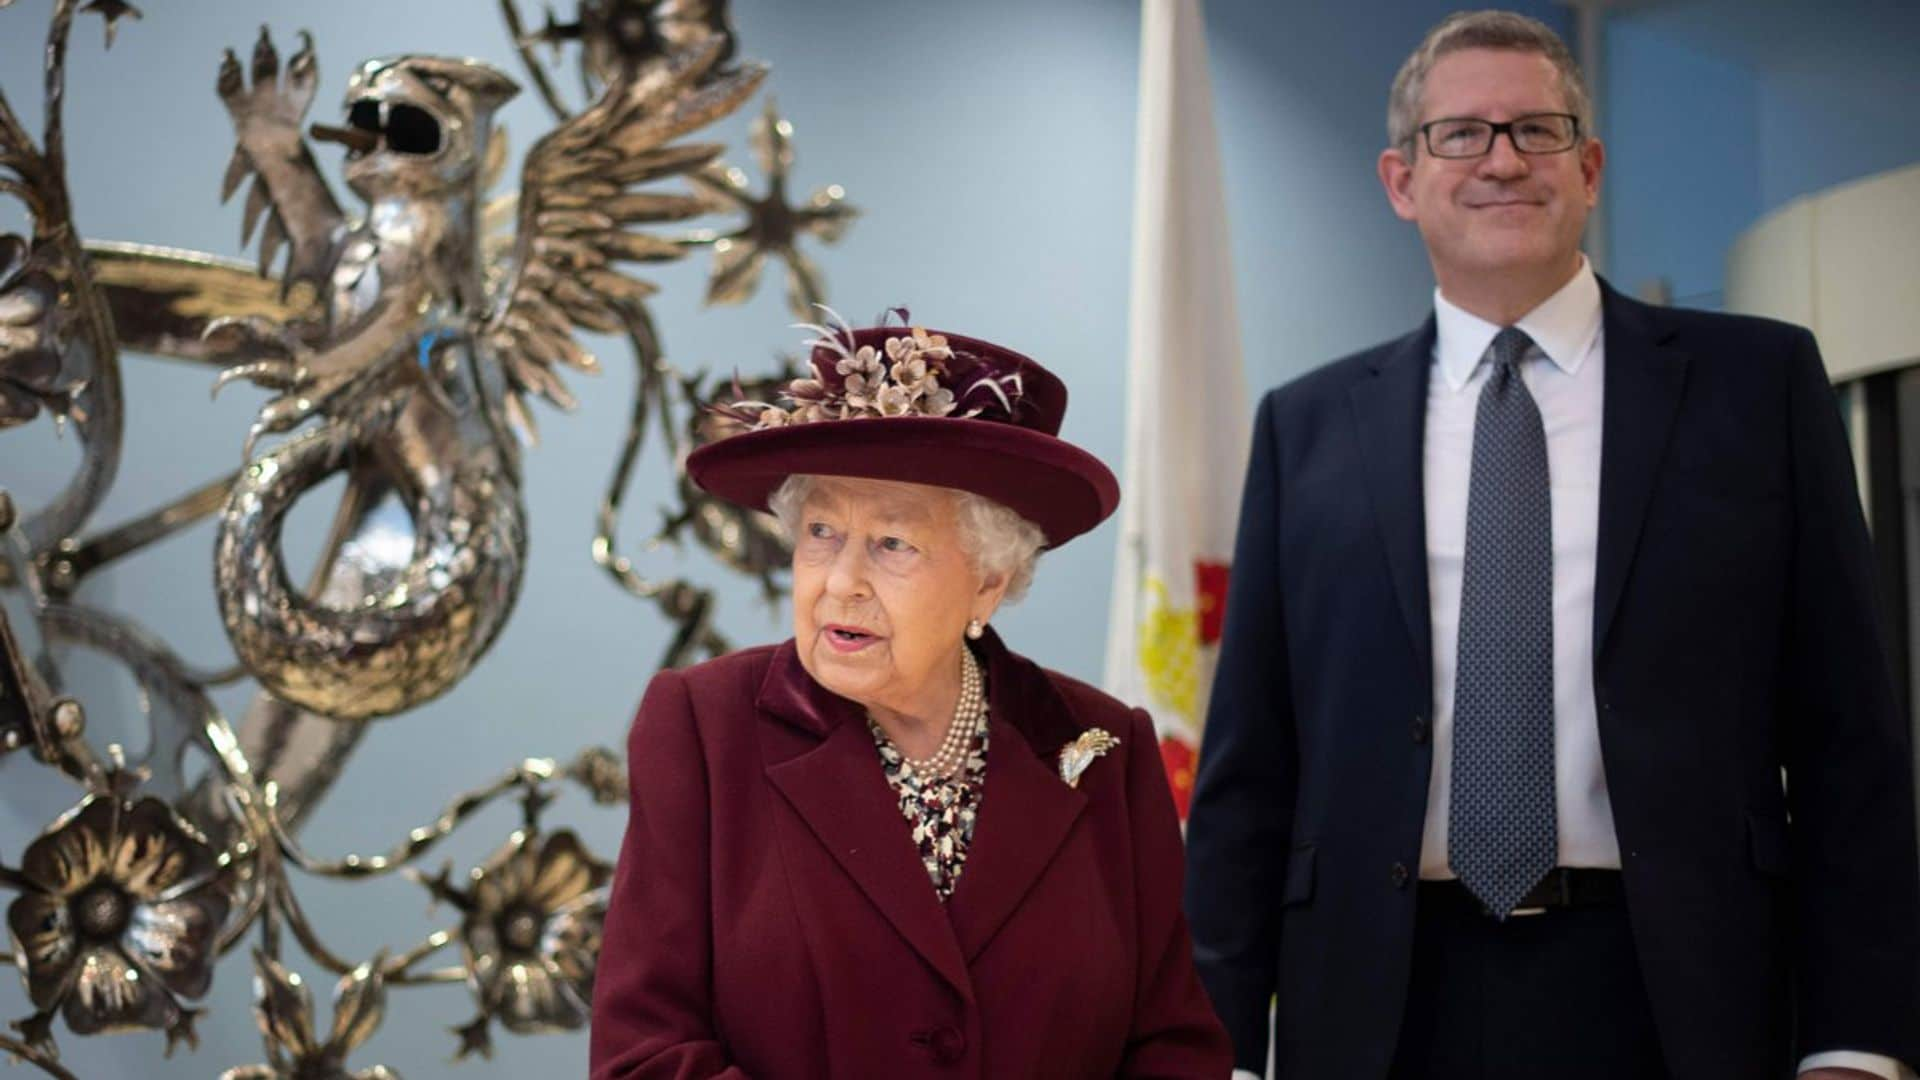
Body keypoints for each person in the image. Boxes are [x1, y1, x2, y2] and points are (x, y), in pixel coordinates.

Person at [1184, 10, 1920, 1080]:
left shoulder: (1756, 387)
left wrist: (1859, 1040)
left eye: (1537, 129)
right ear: (1401, 179)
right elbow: (1251, 770)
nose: (1503, 160)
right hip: (1381, 1002)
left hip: (1681, 992)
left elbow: (1850, 736)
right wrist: (1225, 1048)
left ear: (1590, 167)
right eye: (1462, 135)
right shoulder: (1308, 426)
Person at [589, 317, 1232, 1078]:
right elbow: (646, 1056)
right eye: (822, 531)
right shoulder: (702, 728)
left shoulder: (1101, 747)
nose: (840, 582)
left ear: (989, 580)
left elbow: (1174, 1048)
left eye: (893, 543)